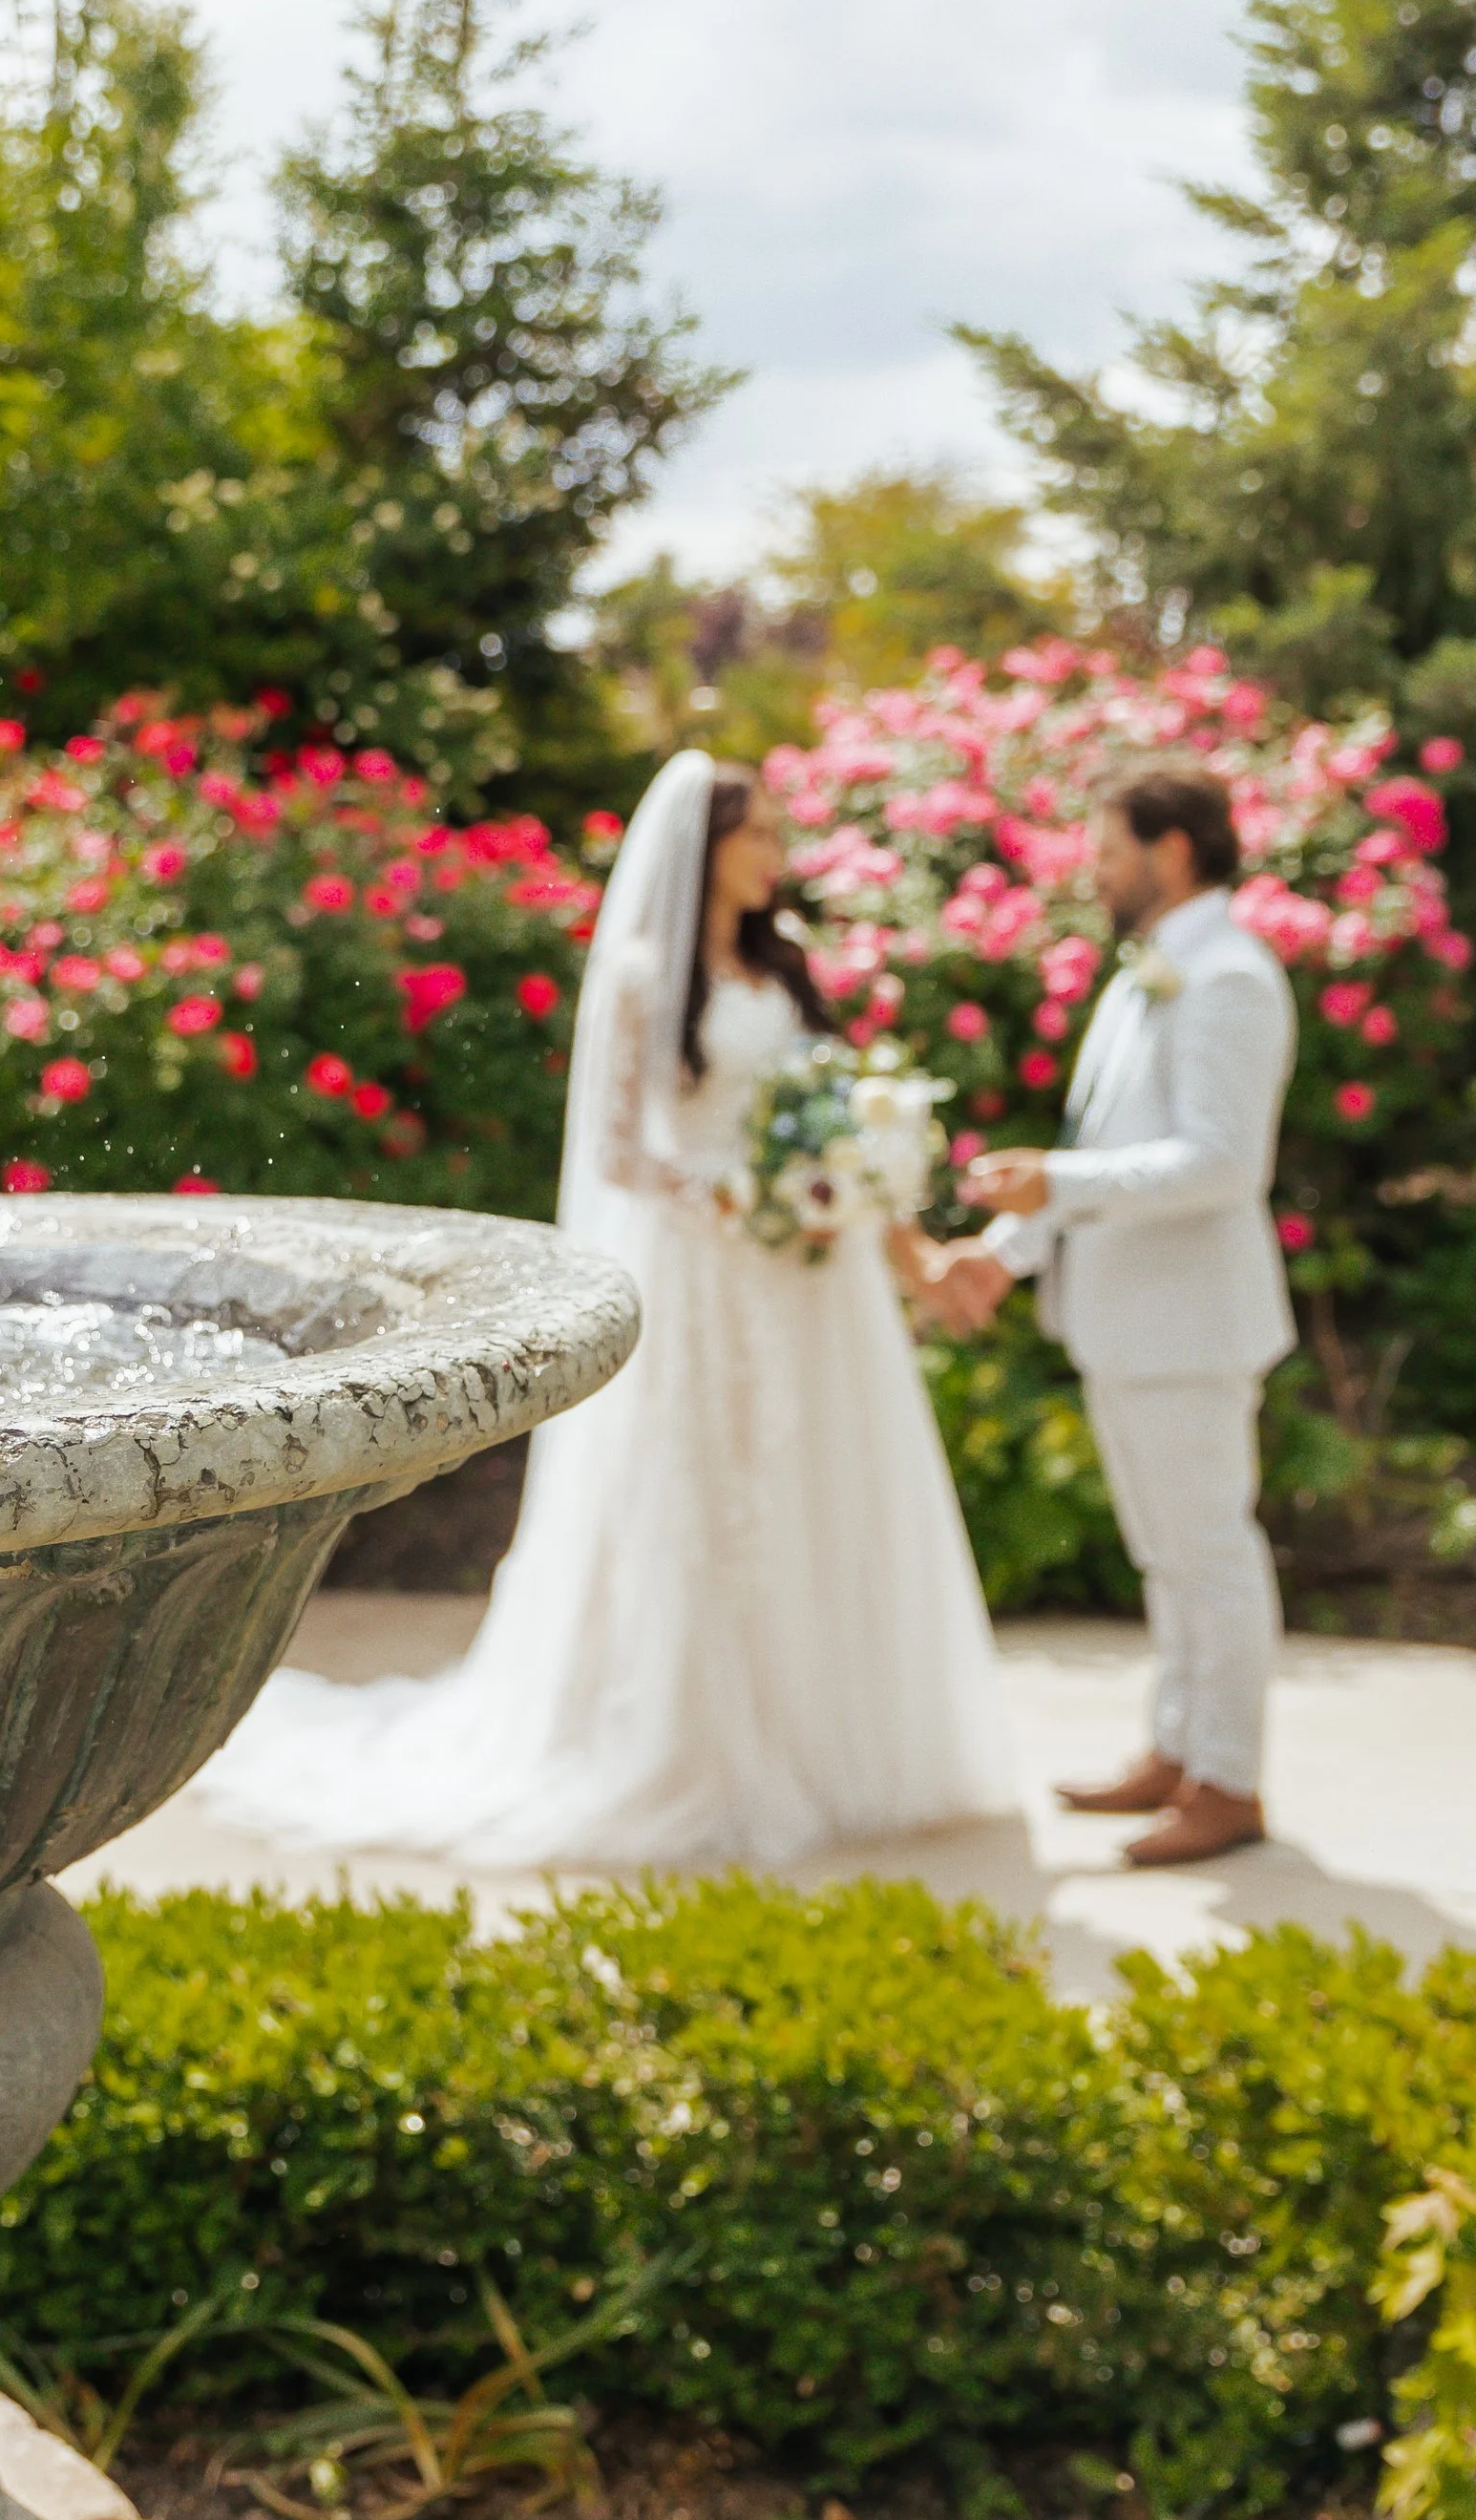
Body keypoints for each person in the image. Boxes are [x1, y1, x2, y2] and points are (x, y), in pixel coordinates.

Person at [196, 749, 1013, 1868]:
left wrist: (874, 1222)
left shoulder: (789, 973)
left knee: (822, 1486)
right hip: (709, 1271)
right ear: (705, 849)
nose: (776, 854)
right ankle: (696, 1745)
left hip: (813, 1284)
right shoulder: (640, 976)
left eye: (777, 834)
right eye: (758, 834)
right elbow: (624, 1154)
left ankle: (833, 1744)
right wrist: (746, 1197)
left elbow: (836, 1127)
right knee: (706, 1497)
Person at [907, 760, 1297, 1869]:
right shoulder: (1148, 978)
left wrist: (1059, 1189)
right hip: (1127, 1325)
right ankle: (1176, 1751)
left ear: (1173, 853)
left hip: (1191, 1329)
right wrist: (1002, 1254)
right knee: (1166, 1556)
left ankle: (1229, 1781)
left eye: (1112, 851)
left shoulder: (1226, 977)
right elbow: (1101, 1158)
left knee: (1209, 1553)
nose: (1098, 871)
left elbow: (1218, 1166)